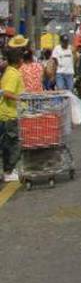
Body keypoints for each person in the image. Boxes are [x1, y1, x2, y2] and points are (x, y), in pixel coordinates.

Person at [1, 36, 27, 183]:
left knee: (9, 143)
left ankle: (8, 169)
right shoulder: (12, 74)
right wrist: (20, 99)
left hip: (9, 114)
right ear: (19, 61)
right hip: (10, 115)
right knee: (15, 144)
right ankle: (9, 170)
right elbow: (7, 92)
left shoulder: (10, 71)